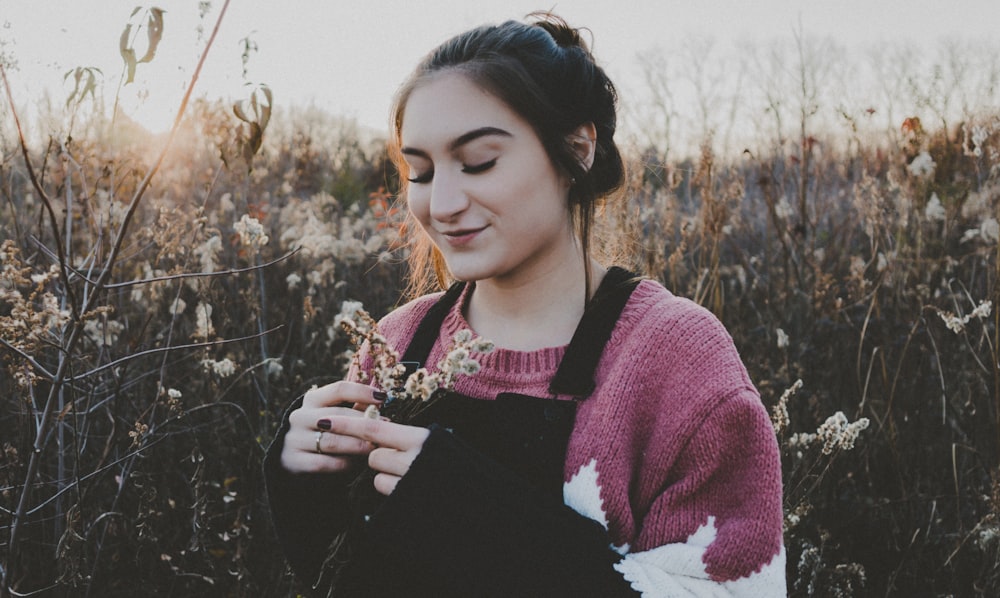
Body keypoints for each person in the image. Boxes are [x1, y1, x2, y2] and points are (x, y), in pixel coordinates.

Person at [264, 12, 785, 597]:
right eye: (420, 171)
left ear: (578, 149)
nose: (443, 203)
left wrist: (488, 522)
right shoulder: (399, 342)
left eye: (479, 161)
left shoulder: (675, 360)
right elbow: (341, 575)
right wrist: (302, 481)